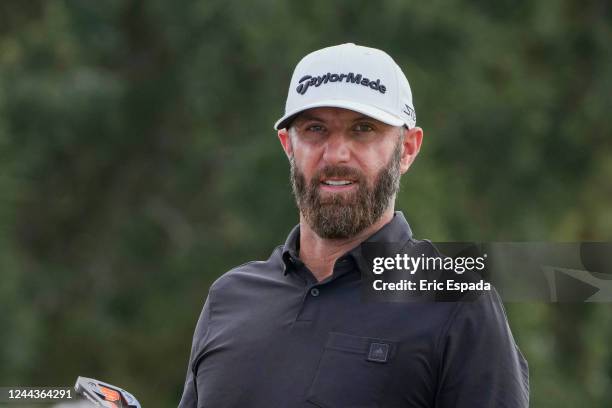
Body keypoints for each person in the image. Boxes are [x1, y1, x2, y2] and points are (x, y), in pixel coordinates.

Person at [178, 43, 529, 407]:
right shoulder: (230, 298)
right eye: (315, 129)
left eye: (363, 129)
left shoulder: (456, 301)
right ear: (288, 145)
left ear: (407, 148)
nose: (336, 154)